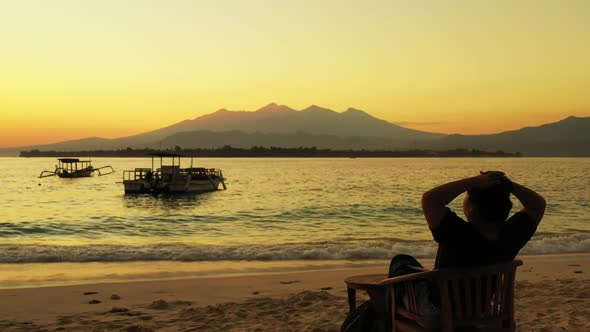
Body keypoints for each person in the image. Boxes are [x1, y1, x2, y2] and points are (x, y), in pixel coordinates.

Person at [422, 171, 546, 269]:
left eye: (466, 198)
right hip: (482, 300)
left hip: (440, 301)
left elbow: (430, 199)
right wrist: (507, 184)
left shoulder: (456, 234)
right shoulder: (511, 236)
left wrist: (474, 181)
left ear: (472, 208)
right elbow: (537, 205)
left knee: (403, 263)